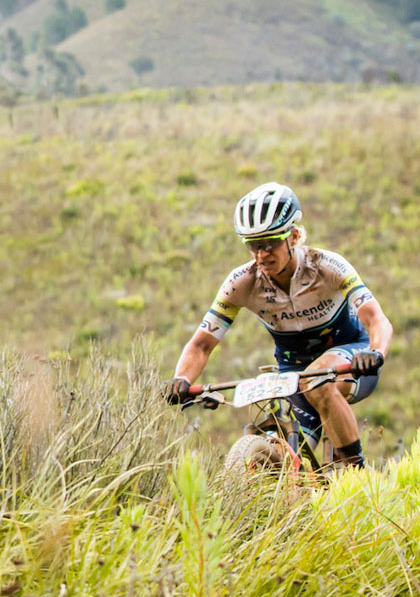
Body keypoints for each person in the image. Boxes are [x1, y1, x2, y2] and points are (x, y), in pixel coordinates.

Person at [163, 181, 392, 468]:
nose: (261, 255)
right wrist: (182, 379)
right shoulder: (242, 282)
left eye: (269, 244)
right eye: (253, 246)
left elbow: (376, 318)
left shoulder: (327, 266)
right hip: (293, 371)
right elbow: (202, 343)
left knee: (317, 381)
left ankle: (357, 476)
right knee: (291, 460)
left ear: (294, 236)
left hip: (350, 357)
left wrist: (375, 352)